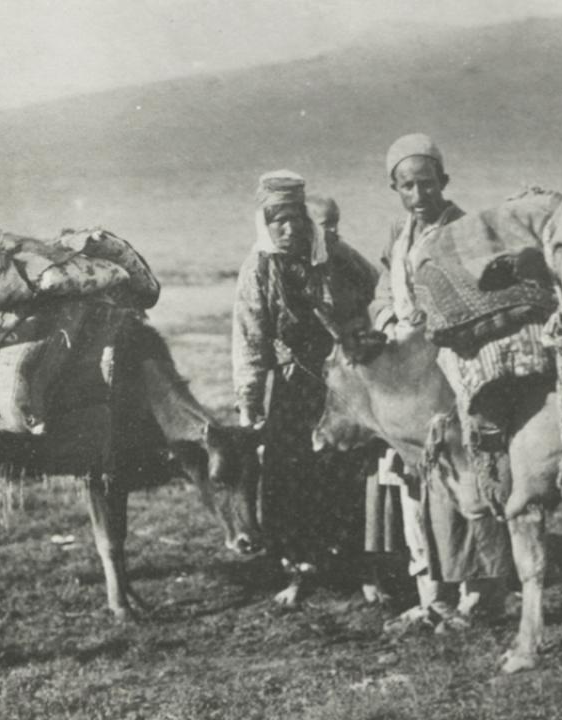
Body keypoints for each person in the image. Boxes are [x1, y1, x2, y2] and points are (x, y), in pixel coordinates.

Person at [369, 134, 513, 634]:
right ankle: (433, 594)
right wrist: (389, 320)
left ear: (443, 182)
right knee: (417, 481)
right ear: (395, 189)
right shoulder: (399, 234)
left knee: (465, 476)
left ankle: (482, 593)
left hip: (453, 368)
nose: (418, 195)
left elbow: (484, 292)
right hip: (409, 369)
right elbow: (384, 289)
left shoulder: (463, 230)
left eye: (427, 184)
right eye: (407, 186)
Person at [233, 172, 352, 586]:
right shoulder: (258, 268)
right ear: (265, 223)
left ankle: (340, 554)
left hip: (337, 377)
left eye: (295, 218)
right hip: (289, 383)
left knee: (338, 463)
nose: (288, 229)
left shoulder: (328, 254)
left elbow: (369, 287)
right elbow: (250, 338)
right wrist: (249, 402)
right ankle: (294, 559)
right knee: (288, 467)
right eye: (278, 220)